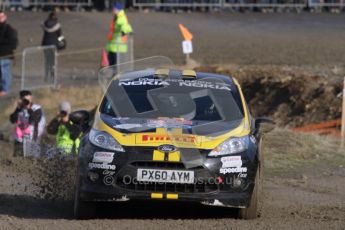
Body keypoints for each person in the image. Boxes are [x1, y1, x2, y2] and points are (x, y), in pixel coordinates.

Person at [9, 90, 46, 157]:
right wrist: (17, 108)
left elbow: (34, 119)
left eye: (27, 100)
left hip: (32, 139)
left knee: (31, 161)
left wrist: (28, 108)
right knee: (17, 160)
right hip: (19, 139)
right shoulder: (20, 109)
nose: (26, 102)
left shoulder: (36, 108)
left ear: (31, 98)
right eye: (24, 100)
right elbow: (12, 120)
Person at [106, 2, 133, 66]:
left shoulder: (121, 17)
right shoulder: (116, 17)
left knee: (115, 64)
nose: (113, 9)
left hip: (118, 45)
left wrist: (123, 31)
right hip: (113, 45)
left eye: (114, 8)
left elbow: (126, 26)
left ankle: (115, 74)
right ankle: (113, 74)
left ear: (118, 9)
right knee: (111, 62)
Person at [41, 11, 63, 82]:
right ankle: (53, 76)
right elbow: (59, 36)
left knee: (47, 61)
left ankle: (46, 76)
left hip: (45, 44)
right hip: (54, 45)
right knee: (53, 61)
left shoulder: (45, 24)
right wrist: (62, 42)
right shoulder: (57, 25)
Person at [0, 11, 18, 97]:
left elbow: (13, 43)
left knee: (4, 72)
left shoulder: (9, 29)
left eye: (2, 16)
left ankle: (5, 89)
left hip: (5, 55)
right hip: (2, 55)